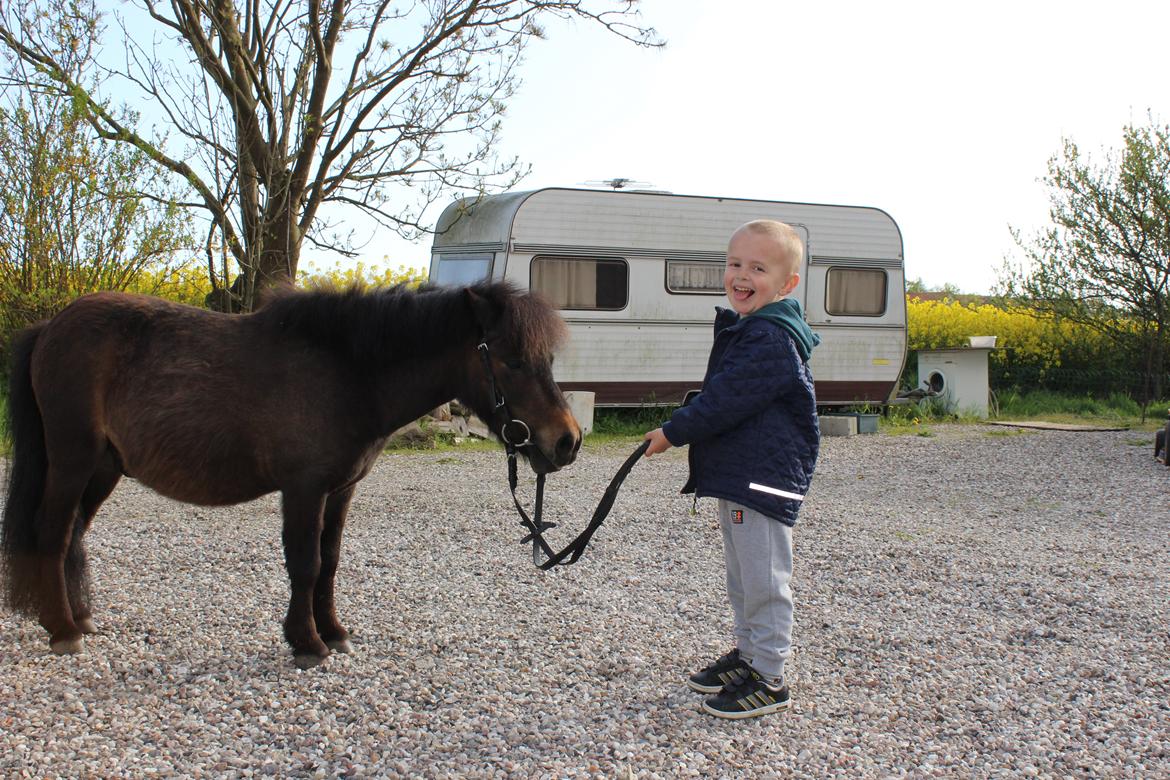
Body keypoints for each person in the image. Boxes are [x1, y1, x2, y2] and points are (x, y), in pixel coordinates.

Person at [643, 219, 820, 719]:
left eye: (758, 268)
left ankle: (769, 676)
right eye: (735, 264)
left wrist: (674, 431)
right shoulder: (754, 328)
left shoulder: (770, 338)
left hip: (761, 480)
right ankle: (748, 655)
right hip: (742, 474)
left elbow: (725, 400)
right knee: (744, 576)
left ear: (787, 284)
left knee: (763, 579)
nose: (741, 276)